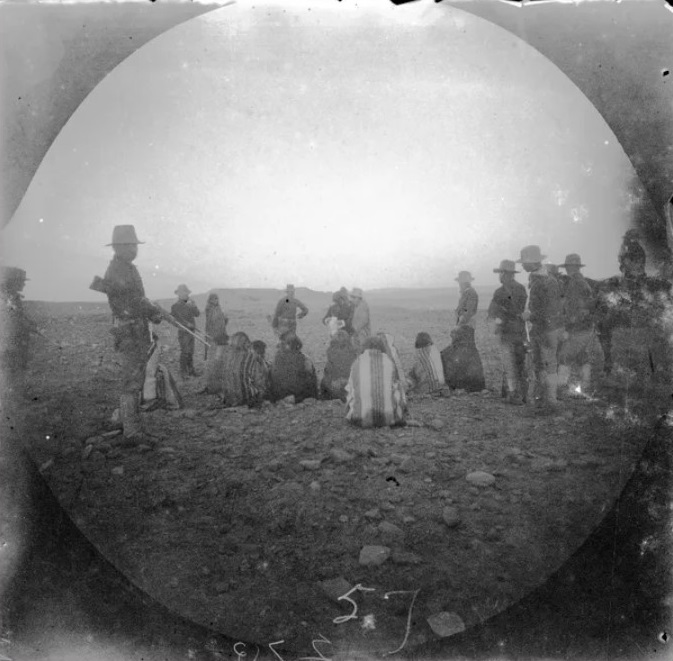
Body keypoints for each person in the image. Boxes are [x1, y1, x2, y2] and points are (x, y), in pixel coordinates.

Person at [90, 225, 166, 443]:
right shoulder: (118, 270)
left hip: (135, 329)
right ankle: (132, 432)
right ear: (118, 247)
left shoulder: (126, 267)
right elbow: (133, 301)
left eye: (135, 245)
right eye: (130, 245)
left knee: (135, 379)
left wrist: (151, 311)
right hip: (130, 330)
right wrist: (153, 312)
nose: (134, 249)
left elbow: (136, 299)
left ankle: (131, 426)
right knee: (131, 382)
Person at [595, 233, 672, 394]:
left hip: (636, 335)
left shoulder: (630, 256)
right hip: (634, 335)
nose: (621, 262)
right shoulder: (632, 274)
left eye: (624, 260)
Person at [518, 244, 564, 410]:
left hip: (547, 330)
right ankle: (544, 399)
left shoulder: (547, 282)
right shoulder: (537, 279)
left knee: (548, 364)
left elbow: (550, 310)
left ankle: (551, 400)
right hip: (540, 329)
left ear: (532, 262)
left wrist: (531, 315)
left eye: (524, 262)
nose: (522, 265)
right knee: (539, 364)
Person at [487, 259, 528, 404]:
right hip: (520, 331)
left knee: (509, 364)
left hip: (506, 332)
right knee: (520, 363)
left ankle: (512, 394)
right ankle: (523, 395)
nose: (500, 276)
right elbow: (521, 309)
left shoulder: (499, 292)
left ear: (504, 274)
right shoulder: (522, 289)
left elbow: (492, 312)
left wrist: (497, 322)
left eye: (501, 273)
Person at [557, 254, 598, 397]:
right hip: (587, 327)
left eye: (568, 266)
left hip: (577, 328)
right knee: (583, 357)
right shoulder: (584, 282)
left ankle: (561, 388)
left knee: (564, 357)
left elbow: (572, 309)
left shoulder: (573, 284)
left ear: (571, 267)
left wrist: (567, 328)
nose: (567, 269)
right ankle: (585, 387)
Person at [345, 336, 407, 428]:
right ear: (382, 347)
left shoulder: (356, 363)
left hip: (360, 420)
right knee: (398, 386)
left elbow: (350, 389)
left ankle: (358, 411)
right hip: (389, 419)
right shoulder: (389, 362)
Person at [0, 266, 38, 396]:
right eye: (21, 281)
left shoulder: (12, 297)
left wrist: (28, 324)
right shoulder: (7, 299)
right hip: (10, 341)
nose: (23, 284)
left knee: (15, 367)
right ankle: (13, 395)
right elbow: (12, 319)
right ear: (12, 281)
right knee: (12, 367)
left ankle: (15, 393)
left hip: (15, 339)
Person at [220, 332, 268, 408]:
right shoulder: (251, 357)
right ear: (246, 344)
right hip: (246, 399)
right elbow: (258, 379)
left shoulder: (226, 356)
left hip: (228, 399)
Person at [270, 333, 318, 403]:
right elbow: (311, 379)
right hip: (299, 394)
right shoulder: (304, 359)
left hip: (280, 395)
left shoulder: (277, 357)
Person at [171, 284, 201, 379]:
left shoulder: (190, 304)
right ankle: (183, 373)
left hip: (191, 331)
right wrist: (186, 324)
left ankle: (191, 370)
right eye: (183, 293)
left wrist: (194, 306)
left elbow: (197, 314)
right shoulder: (175, 306)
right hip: (183, 332)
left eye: (186, 293)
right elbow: (176, 320)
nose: (185, 294)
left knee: (191, 351)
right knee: (185, 352)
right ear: (179, 294)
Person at [203, 293, 229, 394]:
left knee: (219, 359)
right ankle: (213, 385)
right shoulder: (210, 309)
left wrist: (224, 320)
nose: (216, 300)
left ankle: (218, 383)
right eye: (214, 299)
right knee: (214, 359)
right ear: (210, 300)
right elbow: (211, 323)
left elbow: (221, 322)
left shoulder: (218, 308)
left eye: (217, 298)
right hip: (214, 336)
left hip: (221, 335)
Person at [320, 330, 357, 401]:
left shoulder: (331, 353)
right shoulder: (353, 354)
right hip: (349, 389)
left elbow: (327, 376)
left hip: (335, 389)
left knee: (324, 382)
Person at [349, 287, 371, 352]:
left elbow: (363, 321)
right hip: (357, 334)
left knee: (362, 351)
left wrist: (354, 330)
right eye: (352, 297)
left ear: (359, 298)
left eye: (354, 298)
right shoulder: (356, 306)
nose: (352, 299)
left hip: (362, 334)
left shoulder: (363, 306)